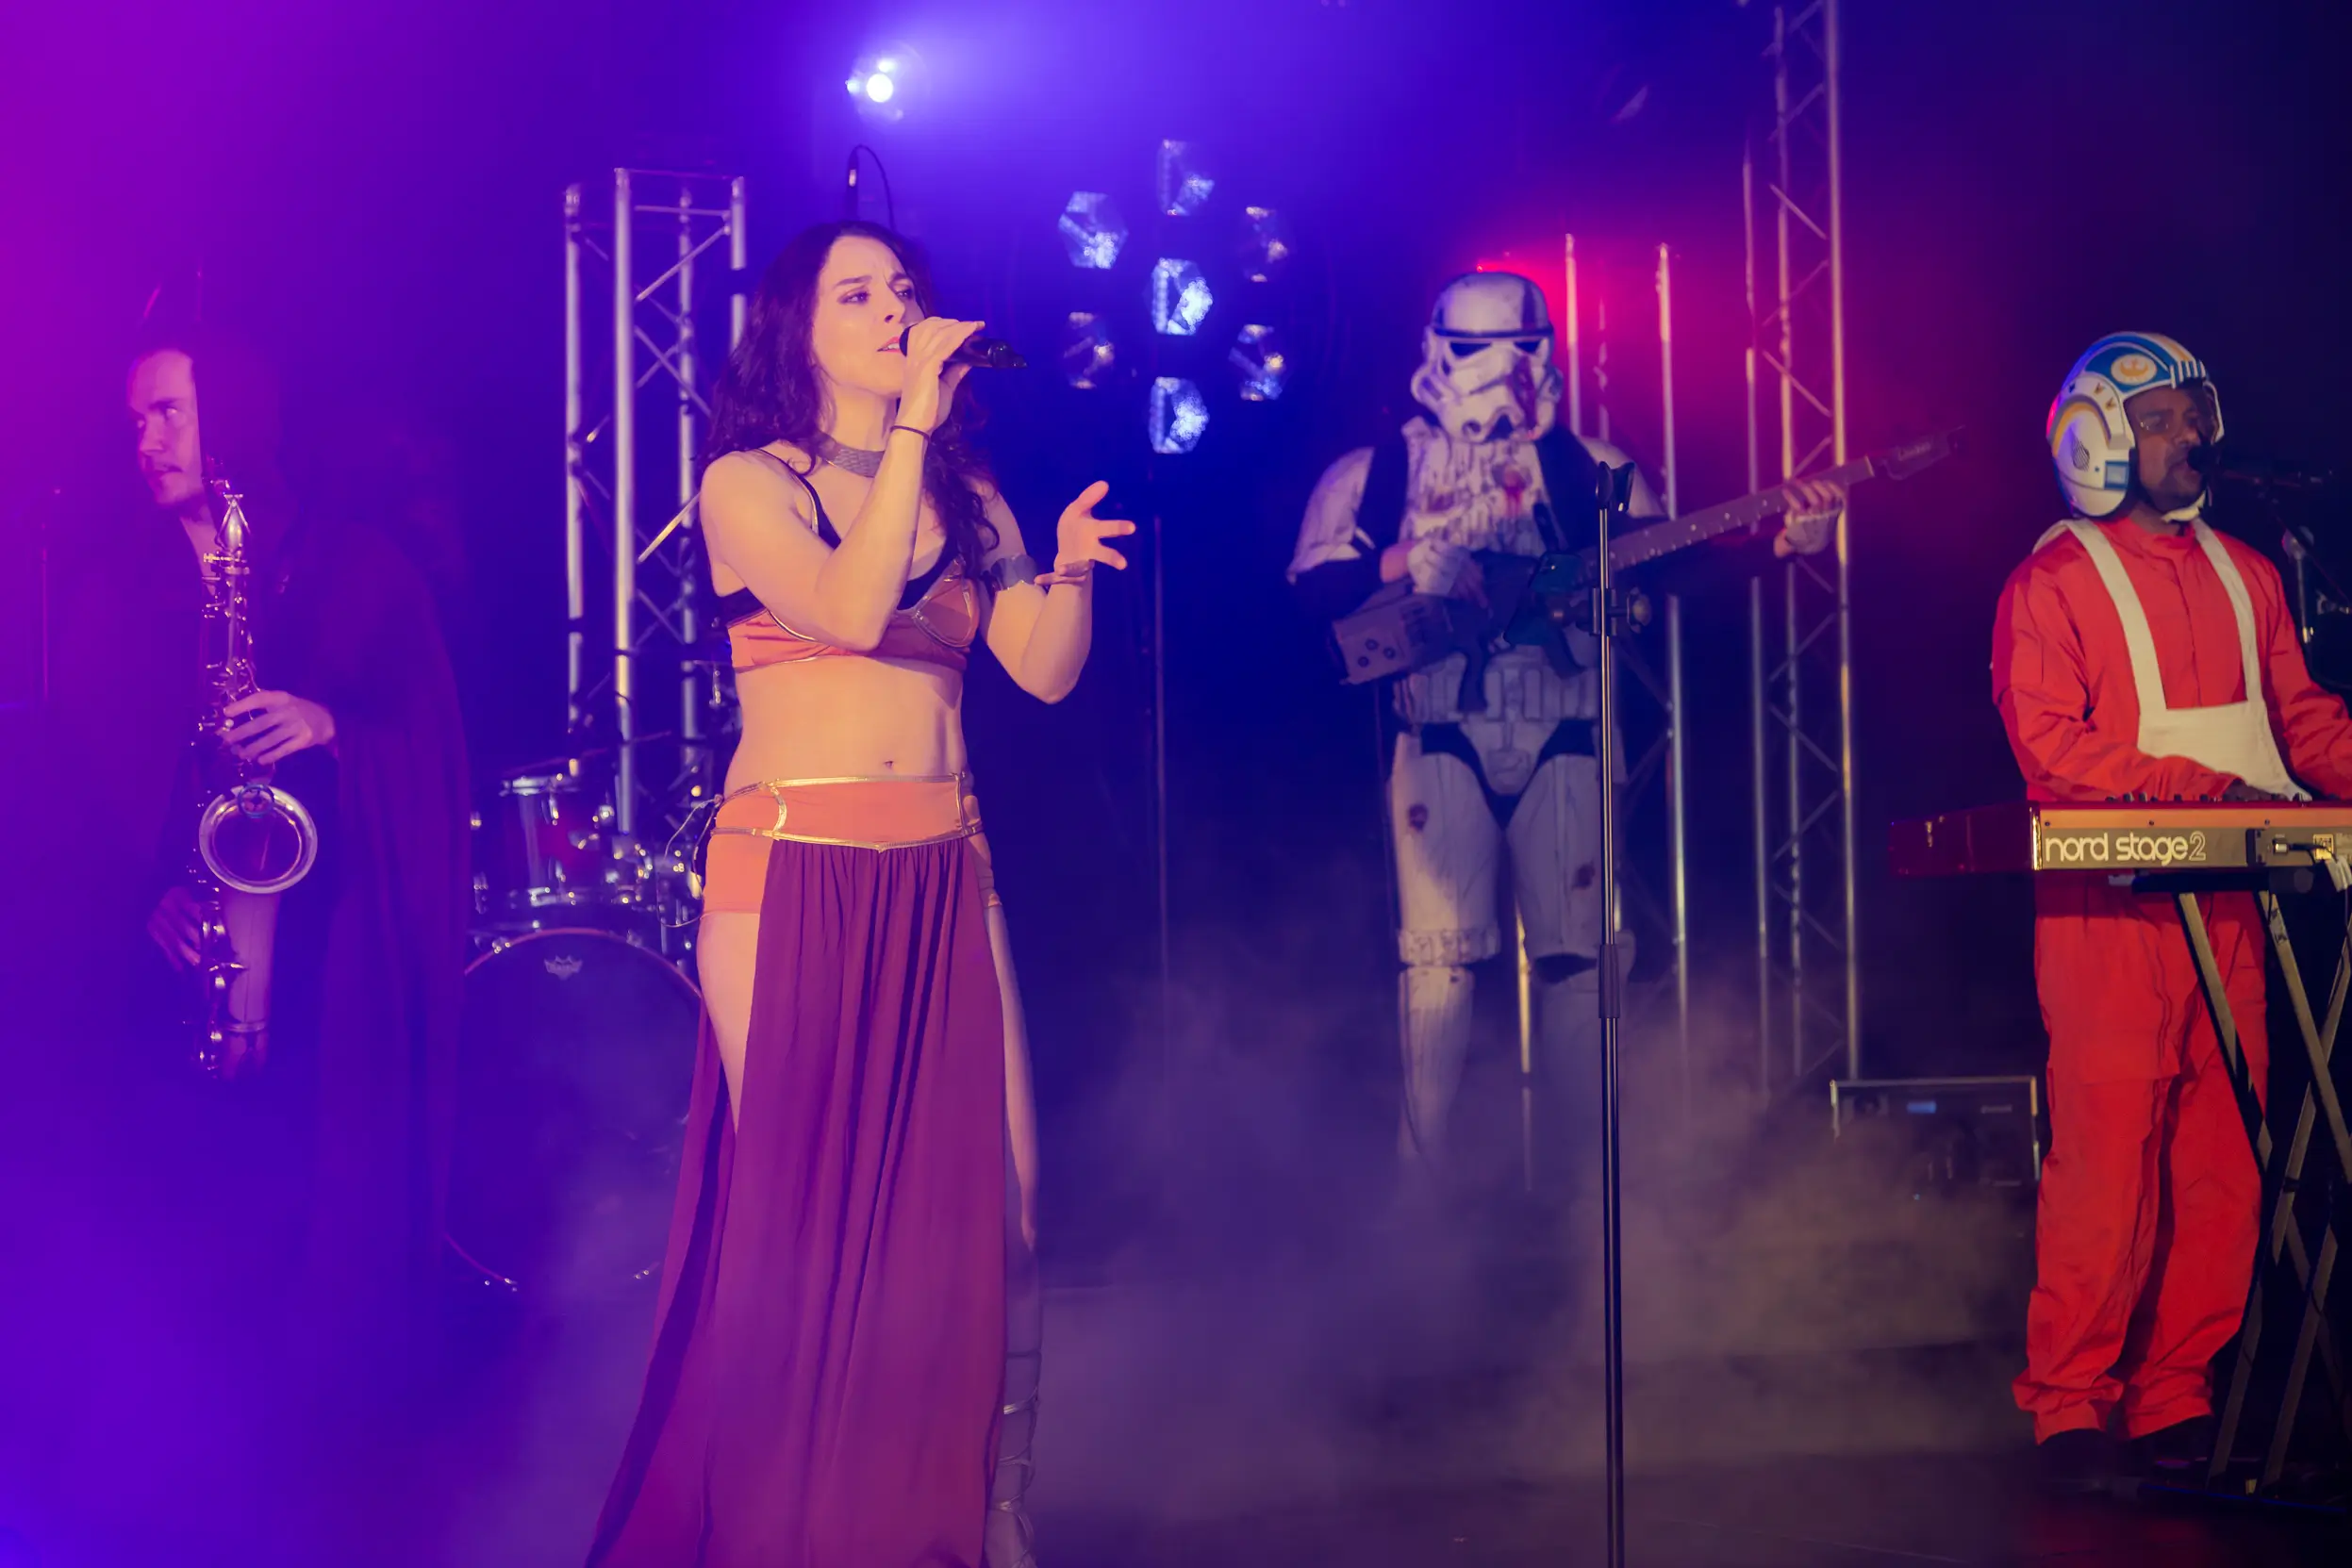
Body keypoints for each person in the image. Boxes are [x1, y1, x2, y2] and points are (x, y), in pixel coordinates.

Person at [586, 220, 1129, 1568]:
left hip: (945, 868)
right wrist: (910, 432)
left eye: (903, 289)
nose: (894, 310)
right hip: (791, 874)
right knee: (811, 1222)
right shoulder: (745, 483)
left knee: (1005, 1208)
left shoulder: (968, 493)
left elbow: (1042, 669)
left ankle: (990, 1511)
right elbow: (841, 606)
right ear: (800, 329)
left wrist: (1061, 567)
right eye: (858, 294)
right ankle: (795, 1520)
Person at [13, 323, 469, 1553]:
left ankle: (328, 1494)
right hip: (163, 978)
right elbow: (66, 798)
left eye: (169, 410)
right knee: (178, 1258)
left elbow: (434, 744)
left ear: (236, 413)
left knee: (311, 1242)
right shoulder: (107, 592)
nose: (146, 440)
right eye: (135, 419)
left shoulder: (358, 569)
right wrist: (133, 898)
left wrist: (331, 724)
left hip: (329, 966)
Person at [1287, 271, 1840, 1191]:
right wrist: (1404, 559)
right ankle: (1420, 1190)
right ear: (1438, 352)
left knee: (1584, 959)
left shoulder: (1590, 467)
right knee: (1437, 965)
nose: (1500, 374)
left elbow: (1672, 566)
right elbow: (1311, 595)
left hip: (1567, 731)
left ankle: (1594, 1190)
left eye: (1520, 352)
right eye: (1477, 352)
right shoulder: (1378, 474)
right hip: (1439, 732)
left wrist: (1781, 544)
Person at [1993, 332, 2352, 1481]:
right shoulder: (2052, 581)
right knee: (2107, 1158)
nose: (2188, 437)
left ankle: (2173, 1392)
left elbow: (2301, 720)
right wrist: (2206, 792)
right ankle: (2069, 1402)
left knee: (2220, 1156)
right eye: (2158, 421)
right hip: (2107, 916)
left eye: (2195, 415)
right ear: (2094, 439)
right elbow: (2052, 747)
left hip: (2231, 904)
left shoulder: (2249, 573)